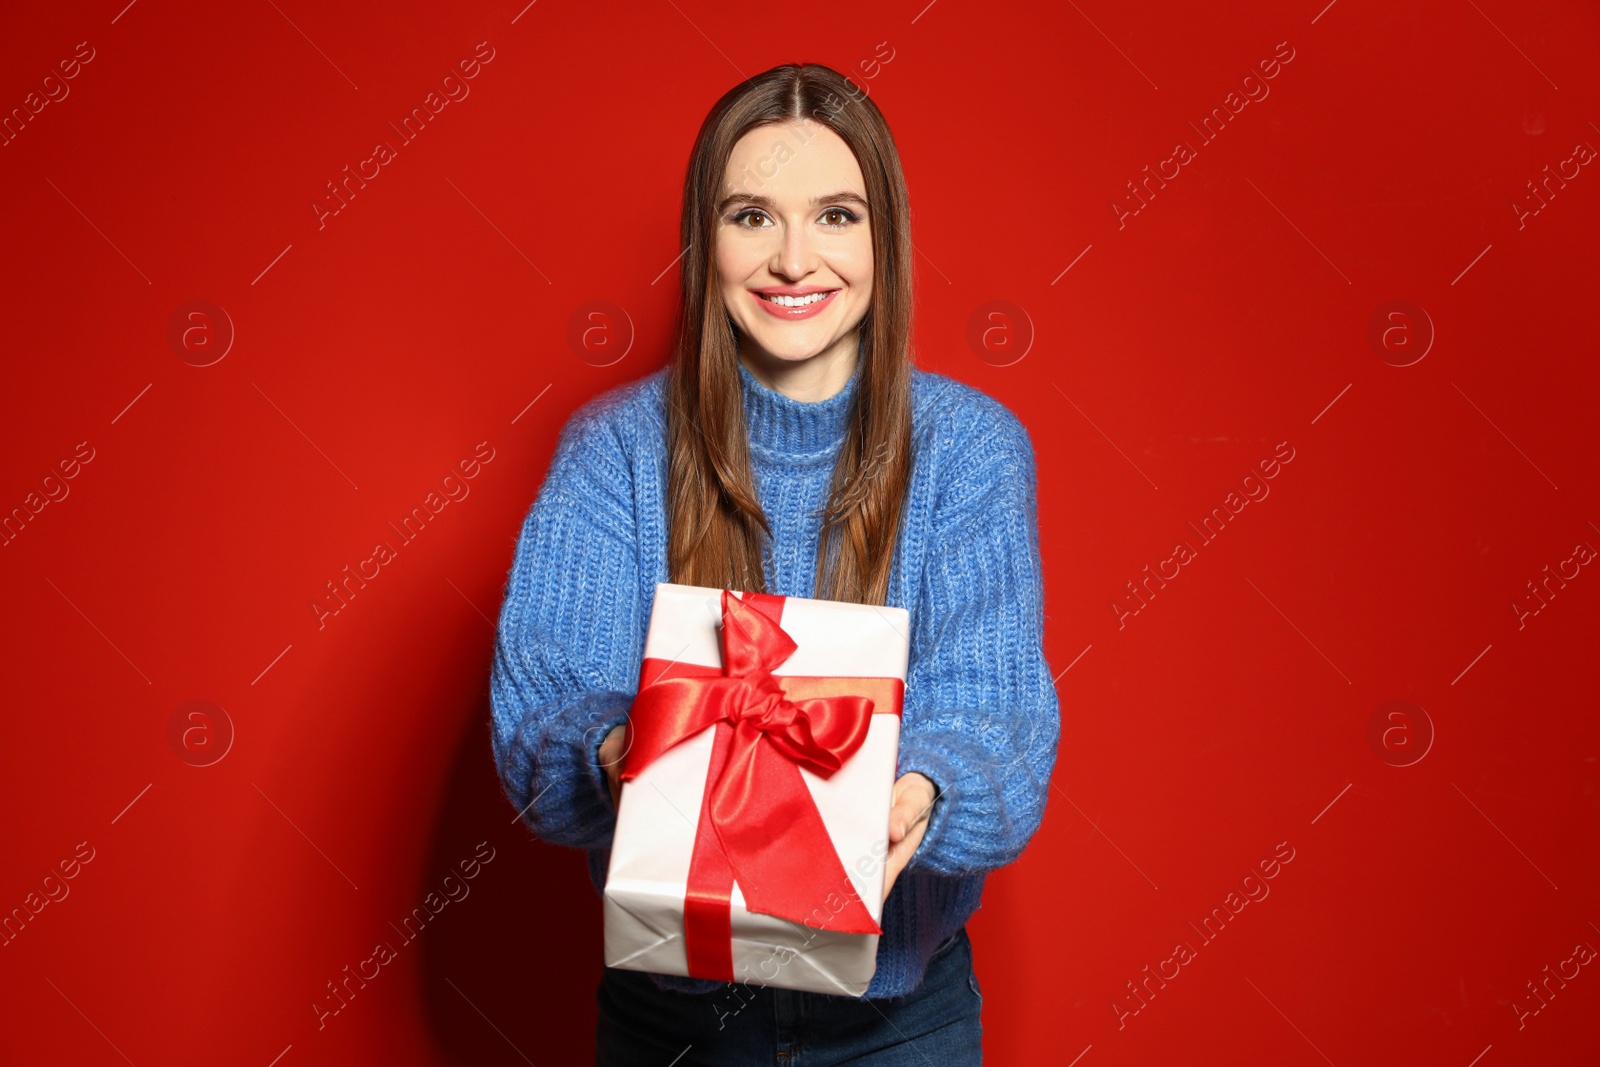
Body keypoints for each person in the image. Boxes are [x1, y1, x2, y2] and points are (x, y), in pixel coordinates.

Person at [489, 62, 1059, 1066]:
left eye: (835, 215)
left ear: (883, 234)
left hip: (900, 1022)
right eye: (751, 216)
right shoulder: (614, 448)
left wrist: (910, 796)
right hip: (673, 1022)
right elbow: (540, 718)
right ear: (703, 241)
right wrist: (622, 749)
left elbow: (999, 727)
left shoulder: (971, 449)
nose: (794, 259)